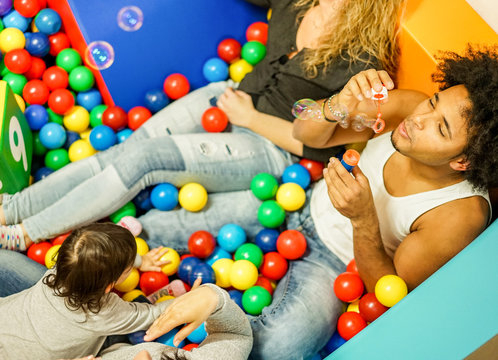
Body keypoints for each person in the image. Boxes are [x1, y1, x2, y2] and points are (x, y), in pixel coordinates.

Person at [0, 45, 496, 359]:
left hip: (337, 265)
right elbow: (303, 122)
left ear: (462, 162)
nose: (420, 120)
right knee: (147, 230)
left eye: (442, 128)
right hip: (293, 201)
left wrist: (364, 220)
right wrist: (336, 105)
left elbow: (388, 289)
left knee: (277, 347)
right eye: (434, 103)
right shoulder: (408, 108)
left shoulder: (459, 214)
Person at [0, 0, 406, 247]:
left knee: (142, 158)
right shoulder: (299, 4)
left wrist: (249, 118)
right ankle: (12, 210)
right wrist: (238, 106)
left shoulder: (363, 59)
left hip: (271, 146)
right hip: (229, 96)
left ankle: (25, 233)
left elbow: (317, 142)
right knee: (121, 152)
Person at [0, 223, 253, 360]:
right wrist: (189, 299)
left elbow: (94, 258)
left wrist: (141, 262)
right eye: (127, 268)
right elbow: (150, 315)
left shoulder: (57, 270)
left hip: (7, 324)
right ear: (110, 286)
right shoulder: (104, 312)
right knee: (132, 327)